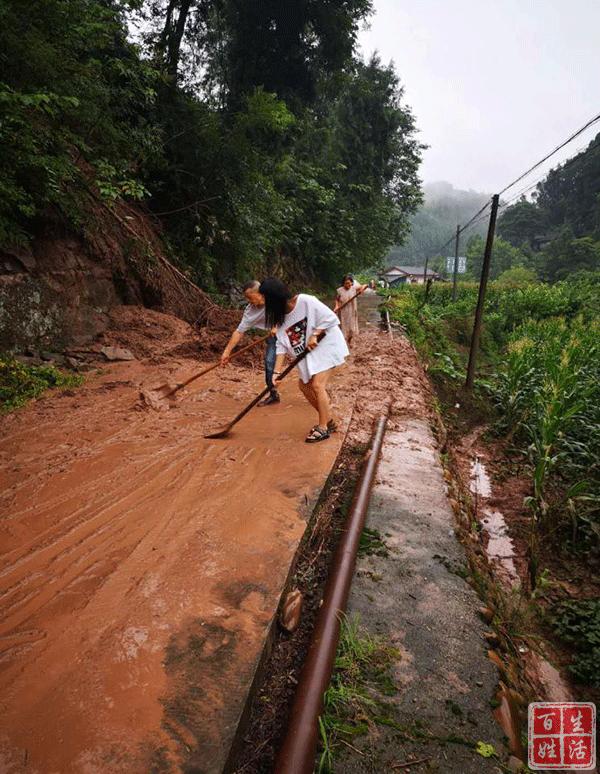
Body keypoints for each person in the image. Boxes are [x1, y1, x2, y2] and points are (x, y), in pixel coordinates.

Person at [259, 277, 349, 443]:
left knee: (317, 385)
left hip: (327, 343)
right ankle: (328, 420)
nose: (263, 302)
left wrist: (315, 333)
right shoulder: (280, 319)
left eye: (265, 298)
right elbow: (281, 346)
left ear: (274, 297)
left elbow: (330, 317)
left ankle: (322, 428)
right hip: (309, 352)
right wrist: (276, 373)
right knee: (304, 386)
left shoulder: (305, 301)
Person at [221, 280, 279, 406]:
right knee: (269, 363)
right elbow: (239, 332)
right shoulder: (250, 311)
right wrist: (227, 352)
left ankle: (316, 385)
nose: (250, 302)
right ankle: (274, 395)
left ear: (261, 293)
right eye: (248, 299)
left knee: (304, 361)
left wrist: (277, 324)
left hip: (292, 333)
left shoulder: (275, 297)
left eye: (251, 298)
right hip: (274, 338)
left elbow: (290, 311)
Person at [334, 274, 367, 345]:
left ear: (352, 283)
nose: (348, 285)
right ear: (343, 284)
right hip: (343, 311)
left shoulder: (354, 288)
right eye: (346, 283)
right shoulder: (340, 290)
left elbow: (365, 285)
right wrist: (336, 306)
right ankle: (344, 343)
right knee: (344, 328)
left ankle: (349, 340)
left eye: (349, 283)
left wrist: (361, 289)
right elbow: (337, 299)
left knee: (352, 329)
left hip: (352, 311)